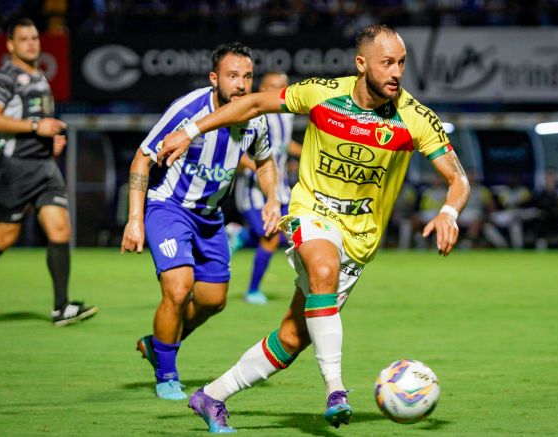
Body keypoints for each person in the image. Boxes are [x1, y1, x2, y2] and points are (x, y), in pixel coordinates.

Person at [158, 24, 470, 432]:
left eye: (402, 64)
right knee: (322, 269)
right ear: (362, 64)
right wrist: (192, 129)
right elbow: (252, 105)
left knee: (292, 337)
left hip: (360, 239)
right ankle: (335, 389)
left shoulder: (414, 117)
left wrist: (449, 212)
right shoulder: (323, 93)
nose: (397, 72)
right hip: (313, 211)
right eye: (387, 62)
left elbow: (458, 179)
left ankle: (211, 395)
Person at [120, 43, 280, 401]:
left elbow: (265, 161)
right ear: (214, 79)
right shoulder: (188, 109)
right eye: (233, 76)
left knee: (213, 300)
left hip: (210, 218)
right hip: (169, 208)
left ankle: (158, 343)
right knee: (179, 288)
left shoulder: (254, 118)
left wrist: (272, 198)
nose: (241, 84)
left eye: (247, 77)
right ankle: (167, 374)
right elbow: (142, 159)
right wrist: (135, 219)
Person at [0, 18, 98, 326]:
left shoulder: (40, 76)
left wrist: (51, 138)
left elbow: (40, 122)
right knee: (3, 237)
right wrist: (36, 127)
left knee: (60, 229)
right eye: (24, 39)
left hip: (44, 167)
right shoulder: (4, 78)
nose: (32, 43)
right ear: (10, 45)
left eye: (35, 38)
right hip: (14, 169)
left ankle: (62, 307)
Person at [231, 71, 302, 304]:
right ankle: (252, 290)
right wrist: (258, 167)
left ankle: (241, 235)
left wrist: (307, 153)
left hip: (280, 190)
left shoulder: (286, 115)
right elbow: (236, 152)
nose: (278, 91)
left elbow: (284, 144)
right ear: (261, 91)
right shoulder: (251, 118)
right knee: (271, 236)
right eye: (273, 86)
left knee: (292, 235)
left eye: (282, 86)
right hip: (254, 192)